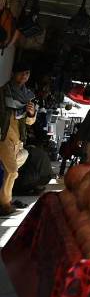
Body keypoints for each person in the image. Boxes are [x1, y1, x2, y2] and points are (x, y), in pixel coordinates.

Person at [1, 65, 37, 216]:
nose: (24, 76)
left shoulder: (28, 96)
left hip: (17, 139)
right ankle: (5, 203)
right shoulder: (3, 93)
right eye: (21, 73)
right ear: (13, 73)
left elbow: (30, 122)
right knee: (12, 171)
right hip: (2, 137)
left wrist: (31, 113)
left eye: (27, 73)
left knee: (18, 162)